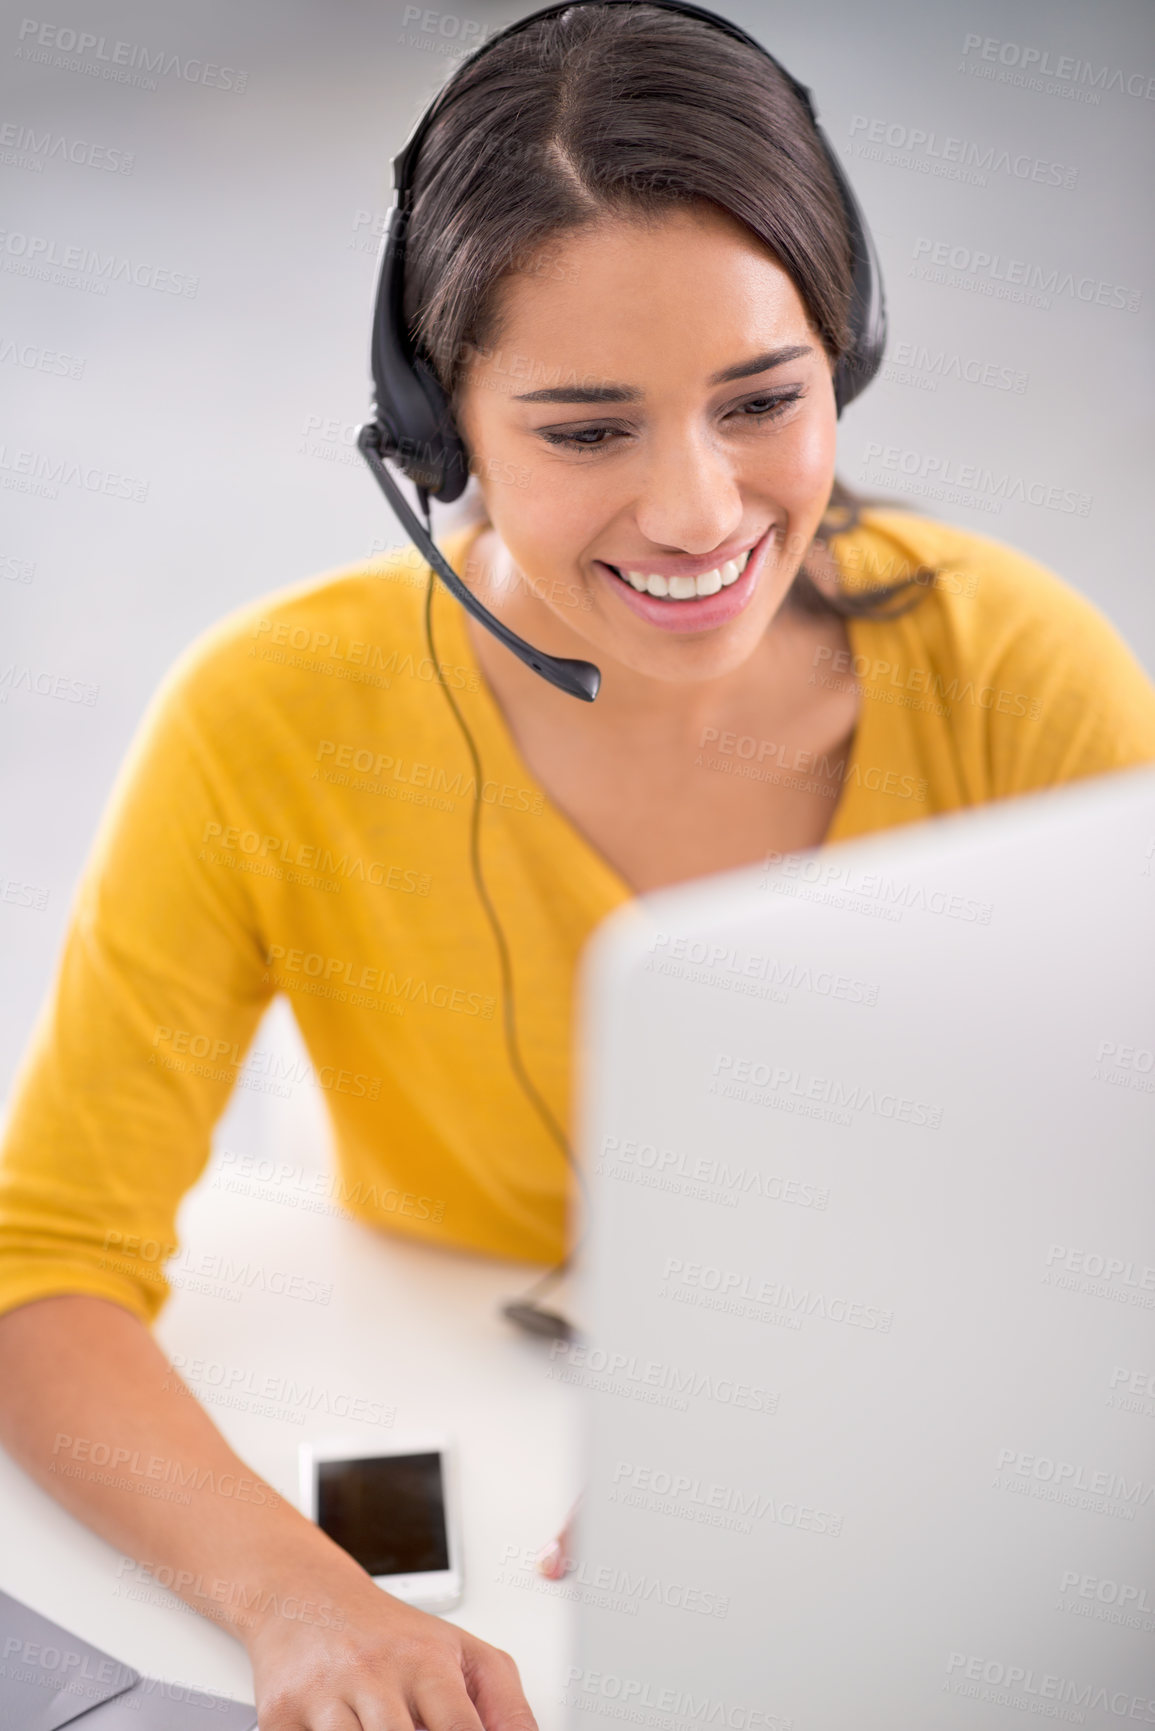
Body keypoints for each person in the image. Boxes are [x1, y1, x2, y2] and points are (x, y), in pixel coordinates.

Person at [2, 3, 1154, 1726]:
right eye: (587, 430)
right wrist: (304, 1607)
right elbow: (42, 1268)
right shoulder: (272, 717)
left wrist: (867, 1423)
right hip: (462, 1420)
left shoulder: (1017, 674)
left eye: (762, 400)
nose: (697, 512)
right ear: (441, 426)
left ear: (847, 355)